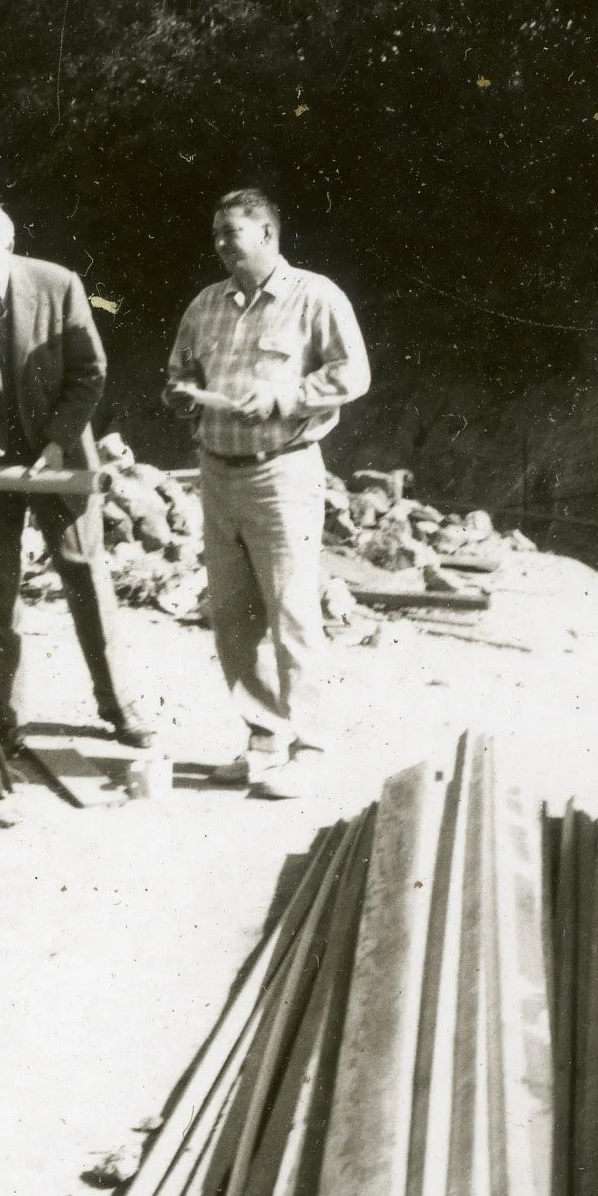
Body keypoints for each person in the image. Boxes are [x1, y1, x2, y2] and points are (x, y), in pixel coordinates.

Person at [0, 201, 155, 751]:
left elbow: (89, 371)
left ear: (8, 244)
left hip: (61, 460)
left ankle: (119, 705)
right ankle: (7, 718)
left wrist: (58, 440)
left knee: (85, 575)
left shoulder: (59, 285)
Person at [166, 190, 370, 798]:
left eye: (232, 231)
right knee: (232, 617)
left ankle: (310, 747)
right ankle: (263, 740)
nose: (221, 243)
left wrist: (284, 397)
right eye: (216, 232)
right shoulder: (205, 304)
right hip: (217, 471)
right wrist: (180, 393)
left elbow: (352, 373)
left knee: (292, 612)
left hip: (281, 472)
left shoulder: (315, 296)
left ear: (268, 234)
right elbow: (180, 372)